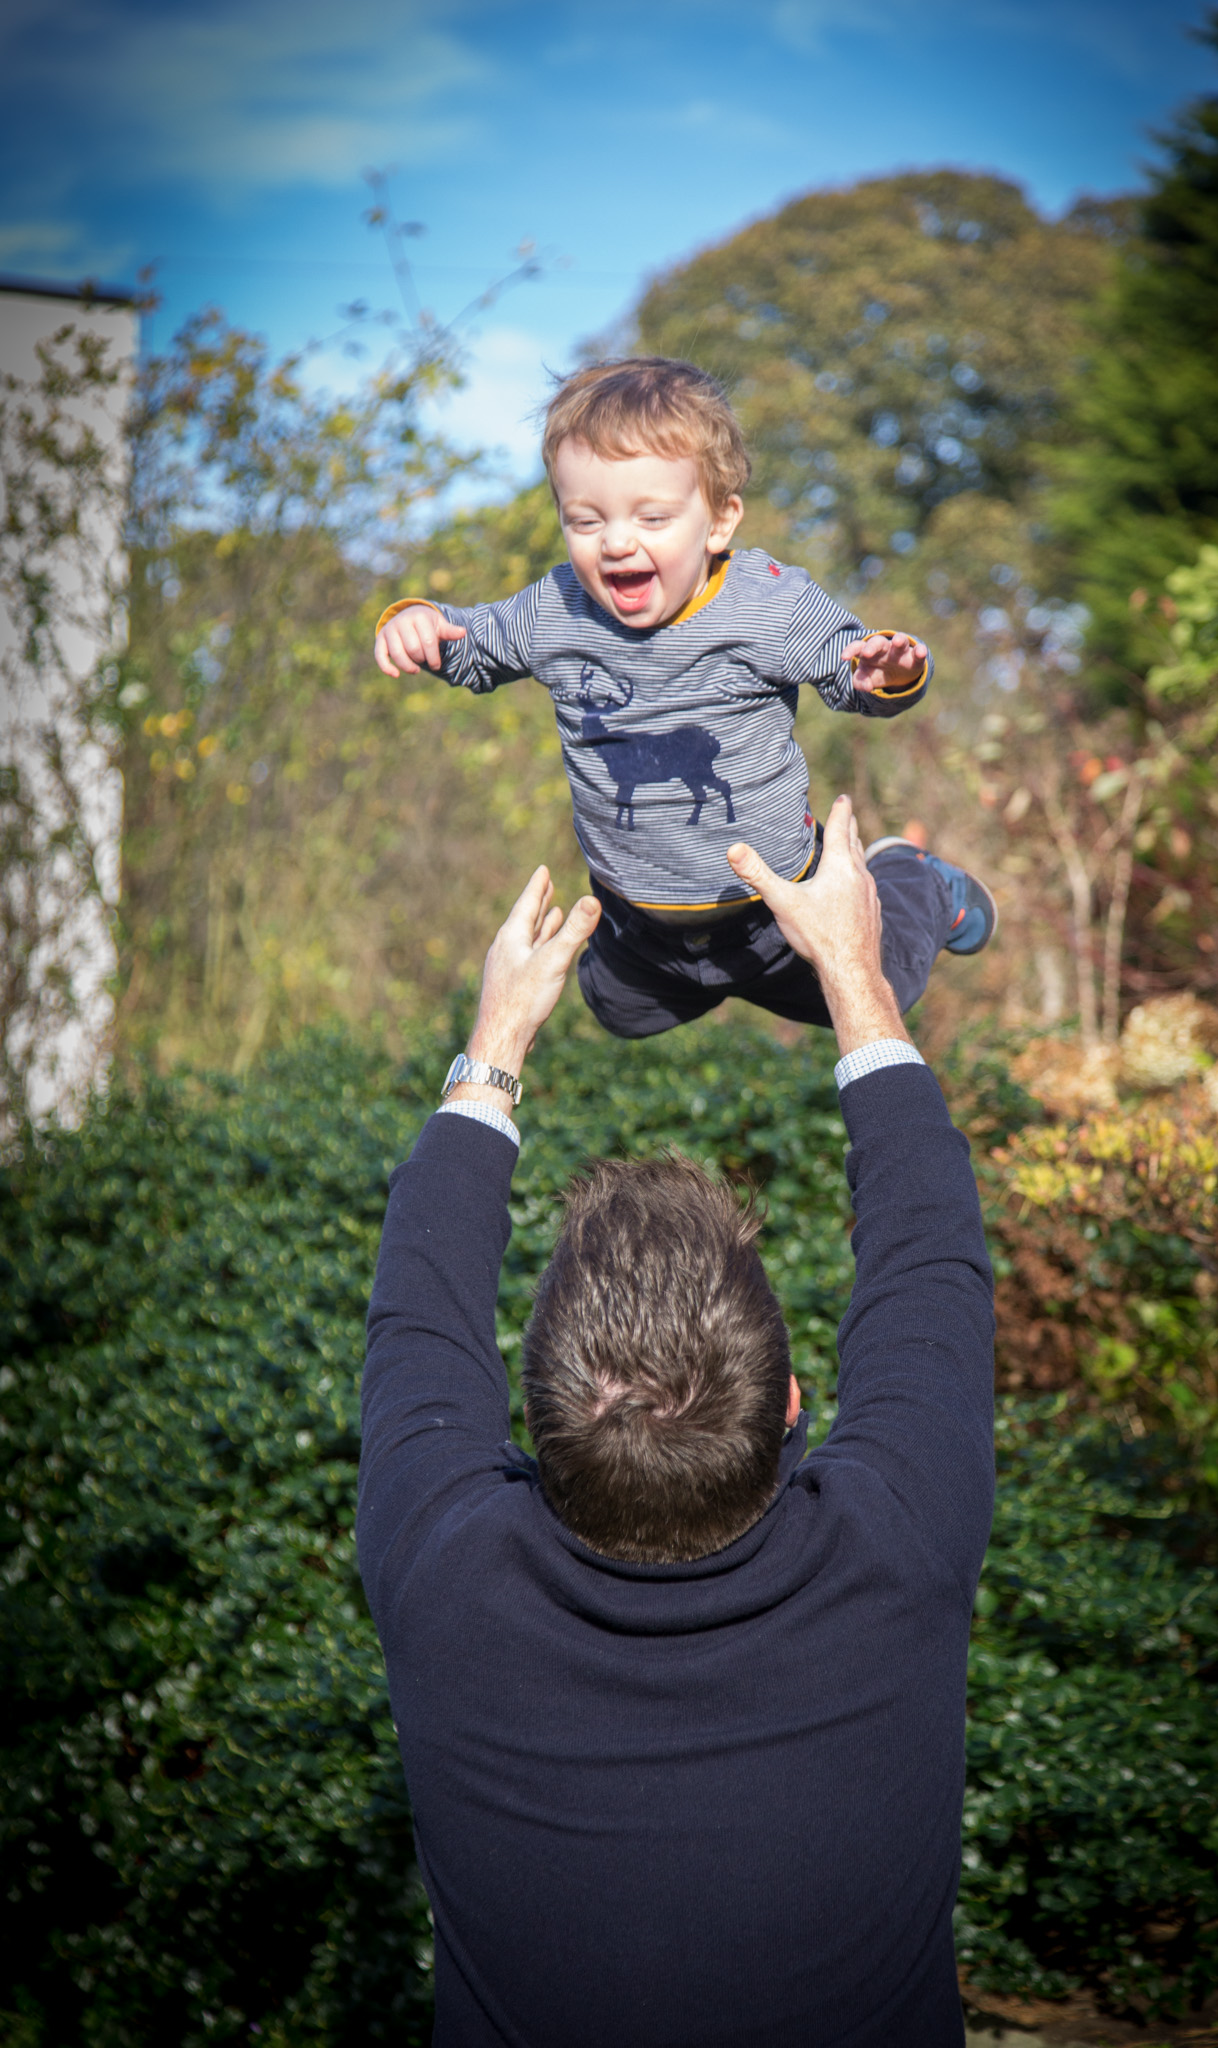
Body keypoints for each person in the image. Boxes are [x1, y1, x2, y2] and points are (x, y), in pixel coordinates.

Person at [358, 796, 996, 2047]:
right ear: (794, 1404)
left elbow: (416, 1314)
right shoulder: (899, 1546)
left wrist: (497, 1037)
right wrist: (855, 974)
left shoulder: (450, 1576)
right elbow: (929, 1257)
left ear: (532, 1434)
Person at [372, 355, 996, 1040]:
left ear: (720, 521)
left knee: (878, 989)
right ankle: (668, 977)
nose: (615, 542)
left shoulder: (769, 604)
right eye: (584, 521)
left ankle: (915, 880)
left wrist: (888, 673)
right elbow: (474, 647)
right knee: (617, 1014)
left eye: (651, 517)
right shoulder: (555, 610)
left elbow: (851, 672)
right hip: (640, 924)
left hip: (778, 909)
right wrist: (420, 623)